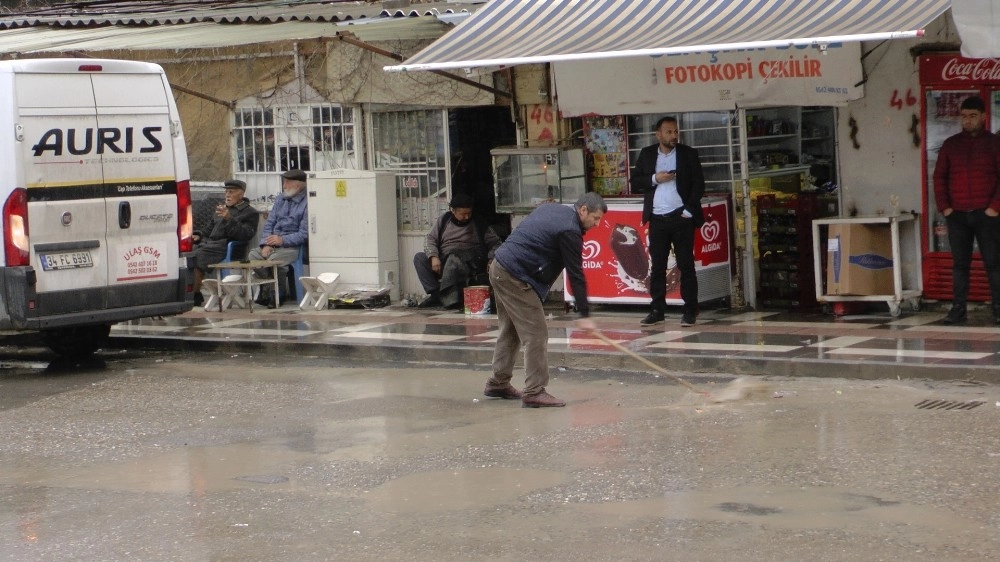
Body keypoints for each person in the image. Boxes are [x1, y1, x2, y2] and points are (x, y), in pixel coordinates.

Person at [482, 192, 606, 408]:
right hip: (515, 275)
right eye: (595, 218)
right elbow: (576, 274)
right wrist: (584, 315)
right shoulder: (569, 230)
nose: (596, 224)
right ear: (583, 209)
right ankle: (534, 391)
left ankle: (498, 383)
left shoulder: (553, 208)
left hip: (500, 267)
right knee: (536, 333)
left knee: (510, 330)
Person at [631, 116, 706, 328]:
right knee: (657, 267)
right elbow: (636, 182)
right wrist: (656, 179)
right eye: (669, 132)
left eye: (675, 132)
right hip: (657, 218)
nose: (673, 136)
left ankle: (690, 309)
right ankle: (657, 309)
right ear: (659, 134)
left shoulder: (687, 154)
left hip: (681, 217)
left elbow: (698, 184)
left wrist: (689, 211)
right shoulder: (647, 154)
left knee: (685, 264)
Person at [933, 95, 1000, 325]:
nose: (968, 121)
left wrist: (994, 207)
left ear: (983, 117)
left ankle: (998, 308)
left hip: (986, 214)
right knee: (960, 264)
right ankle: (958, 308)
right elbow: (939, 176)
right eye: (964, 117)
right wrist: (946, 208)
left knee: (994, 263)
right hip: (958, 215)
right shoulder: (951, 145)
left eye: (973, 116)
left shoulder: (994, 143)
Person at [412, 193, 496, 309]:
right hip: (444, 259)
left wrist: (492, 258)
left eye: (469, 213)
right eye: (463, 214)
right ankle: (436, 295)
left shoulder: (478, 223)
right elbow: (430, 238)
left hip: (469, 261)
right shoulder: (444, 220)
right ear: (453, 211)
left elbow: (496, 244)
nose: (467, 217)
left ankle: (450, 299)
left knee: (453, 259)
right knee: (419, 258)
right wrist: (433, 256)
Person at [189, 179, 259, 307]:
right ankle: (193, 292)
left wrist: (229, 219)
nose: (227, 195)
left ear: (241, 194)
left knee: (197, 255)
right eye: (226, 191)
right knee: (187, 252)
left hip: (226, 246)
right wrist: (198, 235)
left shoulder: (250, 212)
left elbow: (245, 235)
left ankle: (194, 294)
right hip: (210, 244)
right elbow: (208, 229)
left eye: (231, 192)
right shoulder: (222, 209)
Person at [248, 169, 309, 308]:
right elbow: (270, 223)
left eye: (287, 182)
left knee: (274, 260)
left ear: (298, 186)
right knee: (253, 255)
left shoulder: (307, 202)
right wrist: (265, 244)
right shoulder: (281, 199)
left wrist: (282, 240)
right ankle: (269, 289)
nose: (284, 186)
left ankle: (277, 293)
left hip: (292, 246)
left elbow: (304, 234)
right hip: (273, 243)